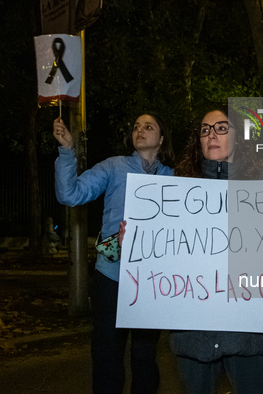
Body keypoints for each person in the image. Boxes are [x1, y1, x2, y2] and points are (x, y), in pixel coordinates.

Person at [53, 114, 174, 394]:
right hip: (111, 276)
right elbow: (70, 195)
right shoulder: (115, 166)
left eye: (148, 126)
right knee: (107, 357)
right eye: (135, 126)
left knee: (145, 358)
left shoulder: (174, 177)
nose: (139, 130)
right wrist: (67, 151)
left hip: (150, 282)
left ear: (162, 139)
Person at [169, 107, 263, 394]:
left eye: (221, 128)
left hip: (248, 333)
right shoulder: (174, 192)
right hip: (193, 334)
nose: (211, 134)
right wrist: (137, 238)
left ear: (239, 139)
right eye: (205, 130)